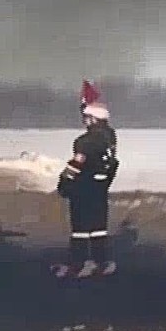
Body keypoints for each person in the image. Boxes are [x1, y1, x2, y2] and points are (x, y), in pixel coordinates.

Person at [55, 81, 119, 278]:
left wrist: (64, 183)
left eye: (87, 117)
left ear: (93, 119)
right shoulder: (110, 137)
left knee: (80, 230)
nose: (85, 121)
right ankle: (101, 261)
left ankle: (79, 264)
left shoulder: (84, 142)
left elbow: (76, 165)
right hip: (100, 189)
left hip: (83, 189)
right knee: (98, 228)